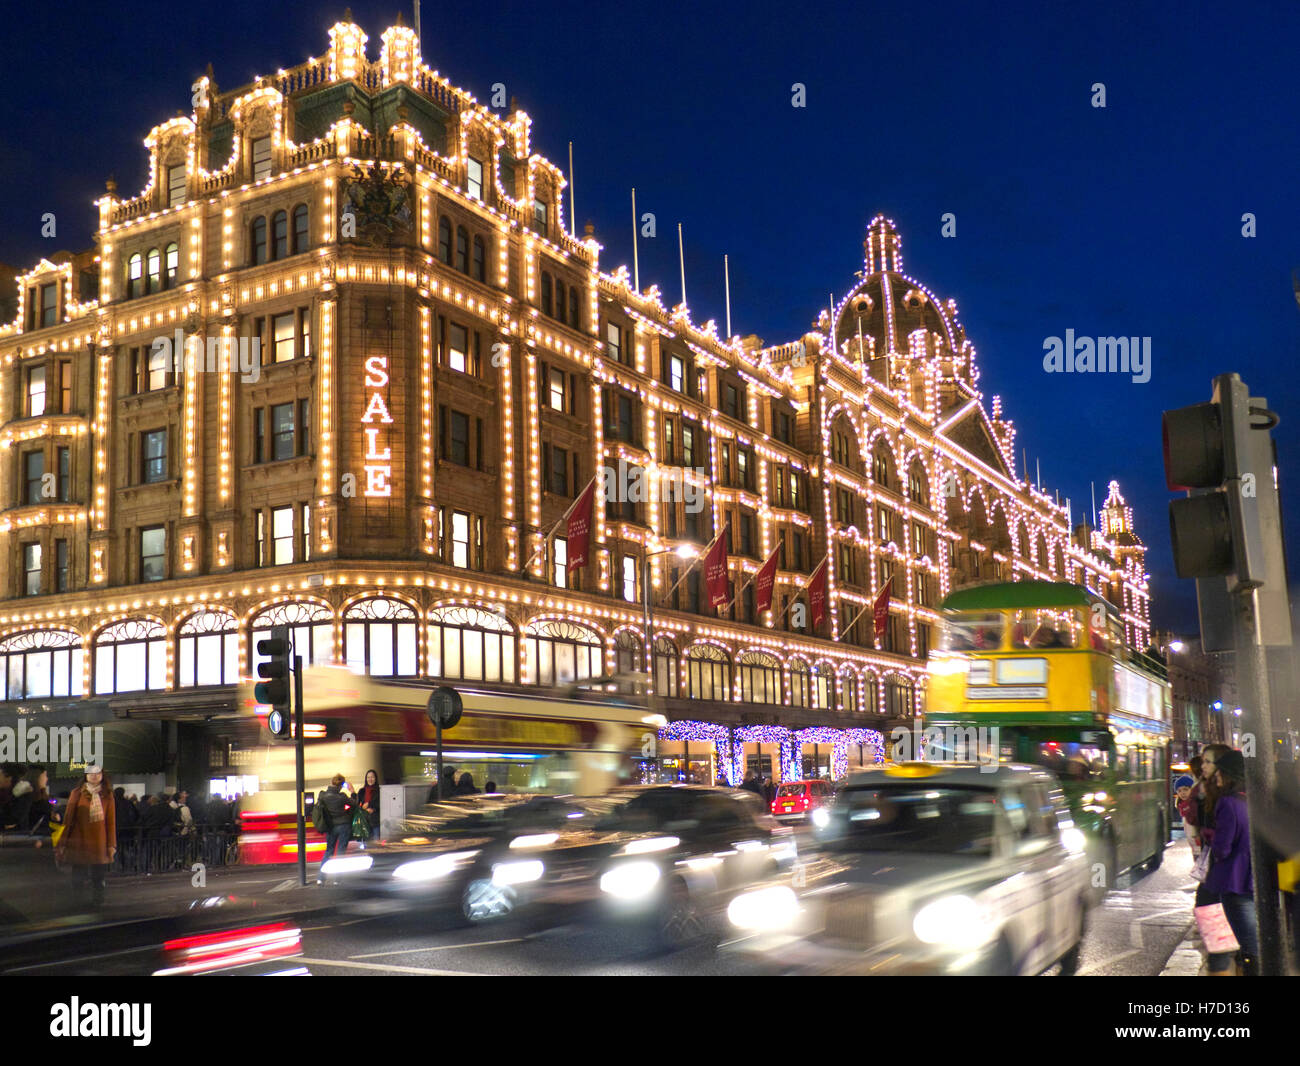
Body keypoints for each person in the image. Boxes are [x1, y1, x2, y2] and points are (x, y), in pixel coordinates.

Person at [1204, 750, 1257, 976]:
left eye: (1219, 772)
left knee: (1247, 942)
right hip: (1252, 879)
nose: (1216, 777)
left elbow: (1223, 848)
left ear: (1228, 775)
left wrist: (1212, 842)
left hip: (1231, 880)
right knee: (1248, 938)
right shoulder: (1253, 800)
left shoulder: (1227, 803)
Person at [56, 766, 117, 907]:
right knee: (78, 876)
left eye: (97, 773)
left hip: (99, 841)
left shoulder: (108, 795)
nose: (94, 776)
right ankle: (78, 901)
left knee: (98, 876)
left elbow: (111, 822)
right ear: (85, 776)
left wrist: (111, 844)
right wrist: (63, 842)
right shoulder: (77, 793)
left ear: (102, 775)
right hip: (80, 840)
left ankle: (98, 901)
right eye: (90, 773)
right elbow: (68, 819)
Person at [316, 774, 353, 877]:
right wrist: (352, 791)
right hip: (343, 826)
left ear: (332, 782)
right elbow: (354, 803)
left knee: (329, 851)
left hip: (330, 827)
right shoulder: (342, 797)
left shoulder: (322, 795)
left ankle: (321, 878)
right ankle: (337, 879)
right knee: (341, 852)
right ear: (341, 786)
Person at [352, 769, 381, 844]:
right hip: (364, 822)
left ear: (376, 778)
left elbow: (381, 804)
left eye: (372, 777)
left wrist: (371, 806)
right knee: (365, 844)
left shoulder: (379, 790)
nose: (370, 779)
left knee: (376, 843)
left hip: (375, 822)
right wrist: (353, 793)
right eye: (368, 777)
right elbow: (357, 804)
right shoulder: (362, 791)